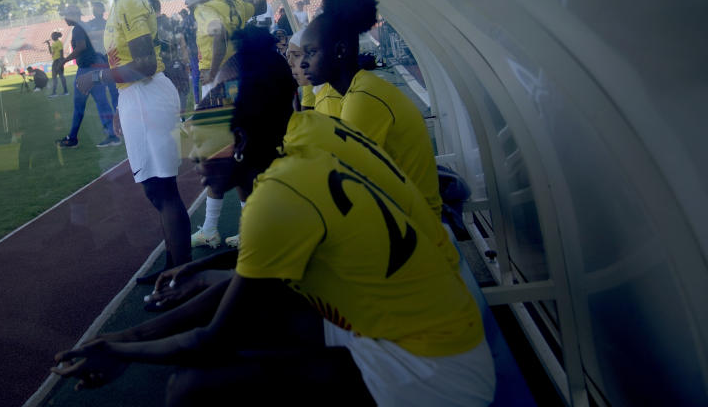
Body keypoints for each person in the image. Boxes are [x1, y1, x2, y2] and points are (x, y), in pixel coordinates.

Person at [52, 26, 493, 406]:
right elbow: (259, 279)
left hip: (434, 372)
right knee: (236, 300)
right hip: (432, 320)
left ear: (241, 139)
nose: (192, 149)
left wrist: (122, 351)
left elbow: (215, 339)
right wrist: (200, 273)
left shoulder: (278, 196)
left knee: (191, 389)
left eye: (206, 131)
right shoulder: (311, 130)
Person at [73, 0, 191, 279]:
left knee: (163, 187)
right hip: (136, 97)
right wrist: (125, 106)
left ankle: (181, 275)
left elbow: (146, 64)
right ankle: (174, 265)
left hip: (147, 93)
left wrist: (97, 78)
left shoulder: (129, 1)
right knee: (154, 188)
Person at [300, 0, 442, 217]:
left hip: (416, 227)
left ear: (340, 50)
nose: (303, 62)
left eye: (311, 52)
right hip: (397, 216)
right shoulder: (345, 91)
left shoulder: (364, 99)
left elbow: (345, 187)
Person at [179, 0, 262, 248]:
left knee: (214, 159)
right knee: (237, 157)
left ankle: (213, 229)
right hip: (242, 84)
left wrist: (212, 74)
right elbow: (261, 4)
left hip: (219, 88)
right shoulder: (233, 4)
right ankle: (237, 227)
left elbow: (219, 36)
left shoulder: (204, 9)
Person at [56, 6, 121, 148]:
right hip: (94, 66)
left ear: (73, 15)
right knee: (101, 102)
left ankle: (74, 137)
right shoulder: (84, 26)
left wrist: (64, 60)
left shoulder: (78, 29)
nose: (65, 19)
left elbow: (81, 47)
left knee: (81, 105)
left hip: (87, 69)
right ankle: (112, 134)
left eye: (66, 16)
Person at [46, 31, 68, 97]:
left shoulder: (59, 42)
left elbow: (61, 51)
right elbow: (51, 52)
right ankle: (56, 92)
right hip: (55, 61)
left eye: (52, 36)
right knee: (55, 77)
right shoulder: (54, 43)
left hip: (58, 60)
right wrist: (48, 44)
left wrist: (61, 61)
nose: (51, 37)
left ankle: (65, 91)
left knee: (61, 76)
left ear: (56, 36)